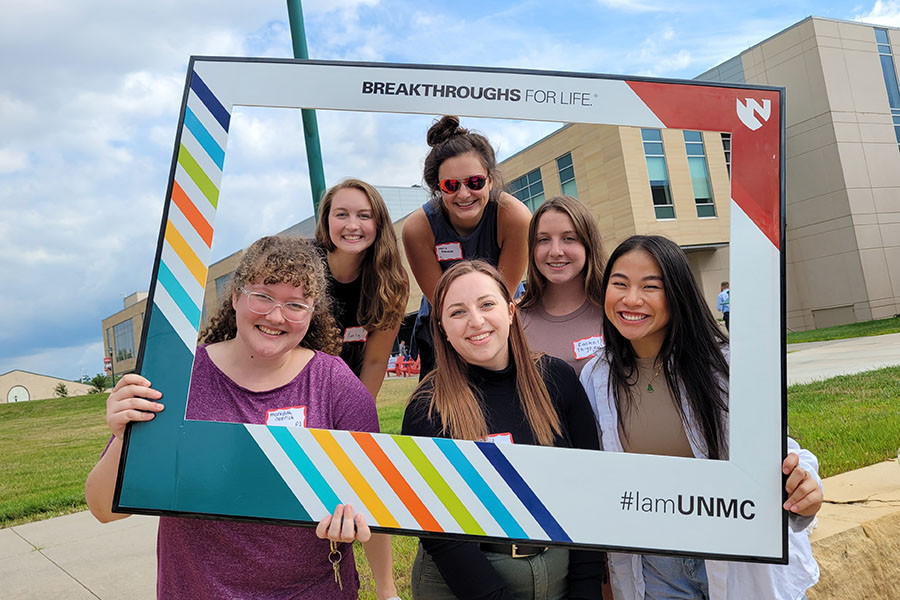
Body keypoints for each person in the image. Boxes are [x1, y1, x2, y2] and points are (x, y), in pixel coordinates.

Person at [84, 236, 399, 600]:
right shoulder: (177, 378)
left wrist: (387, 589)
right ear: (235, 297)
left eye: (295, 304)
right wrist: (125, 439)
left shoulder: (336, 384)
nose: (276, 316)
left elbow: (375, 498)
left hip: (314, 591)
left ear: (313, 313)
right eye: (262, 297)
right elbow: (103, 509)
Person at [580, 235, 822, 600]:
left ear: (678, 294)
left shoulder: (727, 366)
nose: (631, 299)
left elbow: (780, 452)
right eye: (619, 284)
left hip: (737, 556)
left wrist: (805, 485)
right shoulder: (596, 375)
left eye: (651, 286)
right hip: (656, 566)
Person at [401, 260, 606, 600]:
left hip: (556, 571)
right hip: (461, 584)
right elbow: (439, 528)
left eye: (486, 304)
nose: (476, 321)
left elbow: (589, 488)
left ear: (511, 311)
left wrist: (585, 587)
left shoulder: (558, 380)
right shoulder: (428, 407)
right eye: (457, 312)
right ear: (442, 328)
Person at [402, 115, 531, 378]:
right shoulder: (418, 229)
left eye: (475, 182)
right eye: (451, 186)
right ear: (438, 189)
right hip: (445, 326)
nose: (464, 194)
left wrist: (485, 336)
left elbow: (501, 298)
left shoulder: (514, 217)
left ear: (490, 180)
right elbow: (442, 303)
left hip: (503, 319)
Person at [315, 178, 409, 399]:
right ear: (326, 220)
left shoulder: (392, 279)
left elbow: (375, 362)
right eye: (341, 214)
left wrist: (361, 413)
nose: (352, 225)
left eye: (364, 215)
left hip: (349, 385)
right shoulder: (303, 265)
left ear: (379, 223)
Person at [518, 195, 606, 377]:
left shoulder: (614, 309)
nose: (556, 251)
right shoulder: (515, 321)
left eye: (569, 238)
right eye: (543, 240)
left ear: (588, 245)